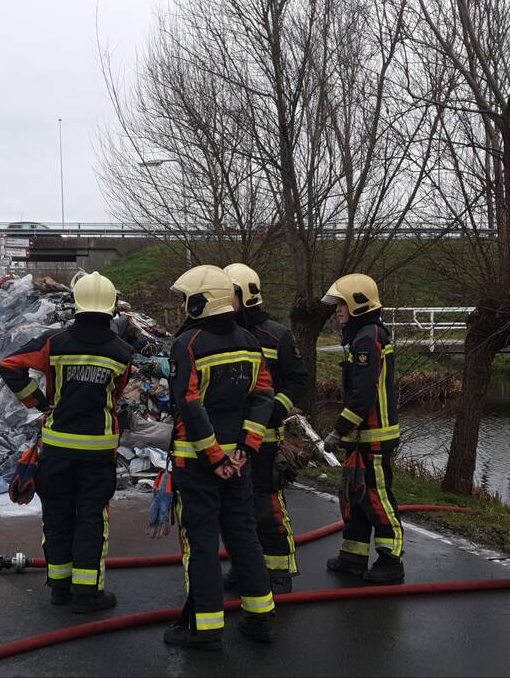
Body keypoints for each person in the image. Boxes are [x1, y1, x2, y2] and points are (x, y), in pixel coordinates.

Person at [0, 272, 132, 613]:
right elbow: (115, 397)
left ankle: (59, 587)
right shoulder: (122, 352)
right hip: (98, 451)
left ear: (77, 303)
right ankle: (87, 594)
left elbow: (9, 365)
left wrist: (39, 402)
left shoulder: (54, 342)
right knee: (91, 519)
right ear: (112, 306)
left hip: (57, 449)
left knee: (57, 516)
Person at [159, 265, 277, 650]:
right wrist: (245, 449)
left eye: (186, 298)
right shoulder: (250, 341)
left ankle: (205, 628)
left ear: (200, 302)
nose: (183, 305)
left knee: (202, 543)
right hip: (239, 462)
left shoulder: (188, 344)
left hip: (198, 463)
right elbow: (263, 396)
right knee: (244, 535)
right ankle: (260, 618)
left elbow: (190, 405)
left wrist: (214, 458)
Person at [223, 263, 310, 594]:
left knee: (266, 505)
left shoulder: (277, 335)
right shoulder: (223, 334)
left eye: (228, 294)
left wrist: (276, 408)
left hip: (266, 438)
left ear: (244, 296)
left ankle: (278, 571)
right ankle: (245, 567)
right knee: (235, 509)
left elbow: (298, 379)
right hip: (233, 438)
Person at [321, 273, 404, 583]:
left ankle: (391, 560)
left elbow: (363, 394)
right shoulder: (364, 335)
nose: (337, 310)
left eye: (341, 304)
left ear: (358, 304)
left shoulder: (368, 338)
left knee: (376, 496)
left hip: (373, 436)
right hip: (362, 436)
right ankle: (353, 556)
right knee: (354, 496)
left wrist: (338, 430)